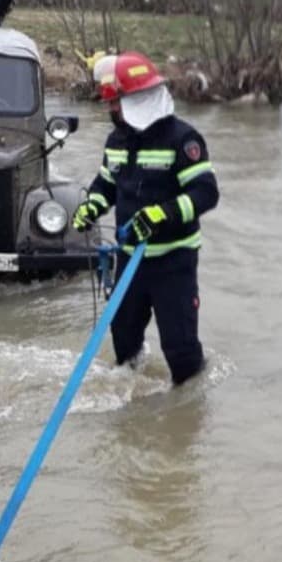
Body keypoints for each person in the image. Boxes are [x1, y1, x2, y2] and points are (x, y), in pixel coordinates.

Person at [73, 52, 220, 385]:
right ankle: (133, 408)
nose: (110, 110)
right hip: (130, 261)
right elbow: (107, 184)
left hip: (174, 263)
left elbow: (206, 193)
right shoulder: (117, 141)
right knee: (124, 342)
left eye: (115, 103)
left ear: (136, 100)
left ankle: (189, 415)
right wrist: (91, 206)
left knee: (180, 351)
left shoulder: (183, 140)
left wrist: (161, 215)